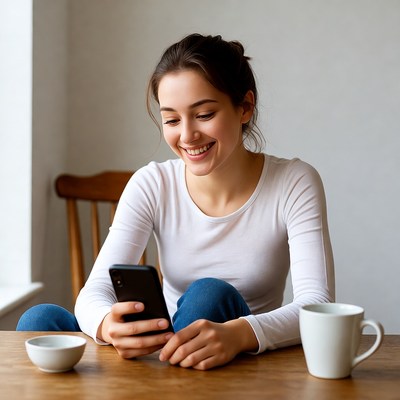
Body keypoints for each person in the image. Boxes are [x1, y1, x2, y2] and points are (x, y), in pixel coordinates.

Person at [17, 33, 335, 370]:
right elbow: (94, 292)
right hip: (168, 351)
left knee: (209, 295)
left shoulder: (294, 182)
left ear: (245, 107)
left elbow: (316, 305)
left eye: (204, 114)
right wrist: (108, 327)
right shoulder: (153, 183)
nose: (186, 136)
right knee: (41, 319)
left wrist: (238, 334)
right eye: (171, 119)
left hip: (237, 360)